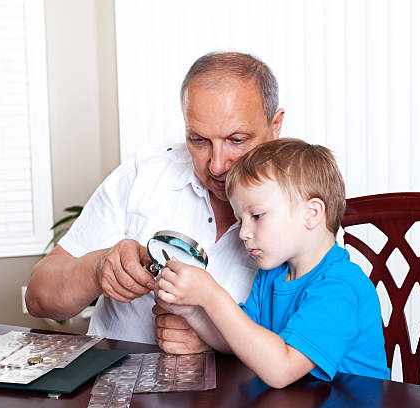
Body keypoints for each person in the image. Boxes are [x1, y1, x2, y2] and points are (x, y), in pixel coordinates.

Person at [25, 51, 285, 353]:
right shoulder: (144, 173)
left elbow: (308, 347)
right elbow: (38, 298)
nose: (216, 165)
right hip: (112, 387)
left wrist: (215, 338)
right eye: (198, 140)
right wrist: (97, 270)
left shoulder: (301, 206)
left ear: (276, 125)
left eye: (237, 140)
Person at [155, 138, 390, 388]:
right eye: (240, 219)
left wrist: (212, 296)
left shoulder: (341, 288)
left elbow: (281, 370)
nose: (243, 232)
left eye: (257, 216)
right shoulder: (272, 275)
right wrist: (192, 311)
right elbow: (240, 343)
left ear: (311, 214)